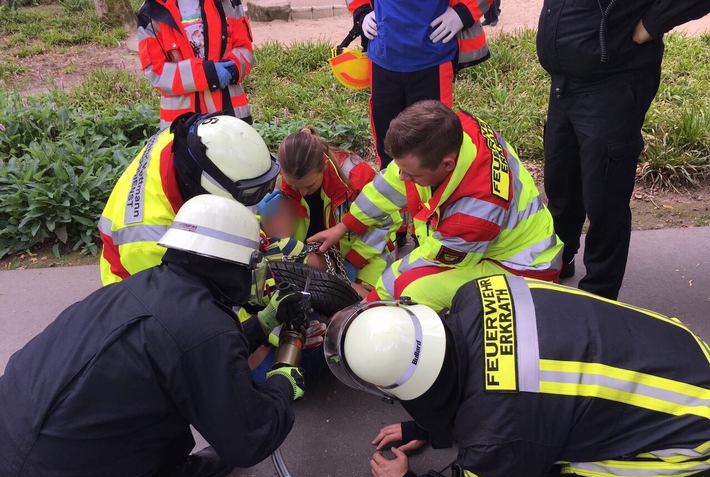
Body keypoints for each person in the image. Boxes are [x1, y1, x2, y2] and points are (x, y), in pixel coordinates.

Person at [0, 195, 308, 477]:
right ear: (233, 265)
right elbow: (249, 438)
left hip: (20, 448)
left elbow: (190, 356)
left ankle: (162, 476)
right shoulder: (202, 325)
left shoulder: (145, 287)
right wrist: (283, 381)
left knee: (159, 406)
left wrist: (262, 322)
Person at [325, 273, 710, 477]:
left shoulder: (499, 432)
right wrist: (427, 427)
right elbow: (471, 367)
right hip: (682, 357)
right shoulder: (476, 292)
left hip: (686, 433)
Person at [310, 100, 562, 313]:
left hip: (524, 271)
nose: (402, 177)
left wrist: (370, 305)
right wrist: (344, 226)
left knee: (410, 289)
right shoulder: (454, 130)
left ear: (447, 165)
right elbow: (389, 185)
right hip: (494, 245)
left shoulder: (475, 211)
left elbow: (427, 263)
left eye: (412, 174)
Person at [537, 0, 710, 300]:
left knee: (604, 197)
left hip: (613, 83)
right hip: (564, 84)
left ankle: (599, 294)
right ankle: (557, 261)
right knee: (561, 183)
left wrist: (652, 24)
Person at [99, 111, 280, 286]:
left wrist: (260, 232)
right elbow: (193, 303)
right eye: (249, 197)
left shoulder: (188, 140)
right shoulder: (151, 240)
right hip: (141, 298)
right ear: (205, 193)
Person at [346, 0, 492, 168]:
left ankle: (431, 191)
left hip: (433, 57)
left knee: (432, 143)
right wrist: (361, 12)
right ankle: (391, 185)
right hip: (383, 55)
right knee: (387, 143)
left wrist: (463, 13)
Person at [277, 126, 398, 290]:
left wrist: (353, 262)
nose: (303, 192)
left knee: (361, 305)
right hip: (325, 258)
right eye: (295, 186)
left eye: (310, 185)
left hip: (369, 254)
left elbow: (388, 221)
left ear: (325, 165)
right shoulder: (287, 181)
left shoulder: (356, 176)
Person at [137, 0, 254, 129]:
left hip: (232, 114)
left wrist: (233, 67)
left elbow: (245, 48)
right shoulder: (151, 11)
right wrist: (208, 74)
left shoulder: (228, 2)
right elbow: (156, 71)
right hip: (182, 125)